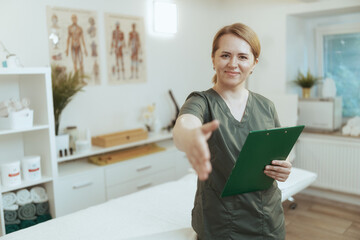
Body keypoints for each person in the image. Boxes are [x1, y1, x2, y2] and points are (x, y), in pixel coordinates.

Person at [173, 23, 292, 240]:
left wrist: (283, 168)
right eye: (225, 55)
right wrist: (190, 136)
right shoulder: (201, 101)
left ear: (254, 63)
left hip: (268, 221)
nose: (233, 64)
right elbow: (184, 125)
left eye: (243, 57)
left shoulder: (267, 106)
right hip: (219, 224)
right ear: (213, 58)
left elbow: (276, 156)